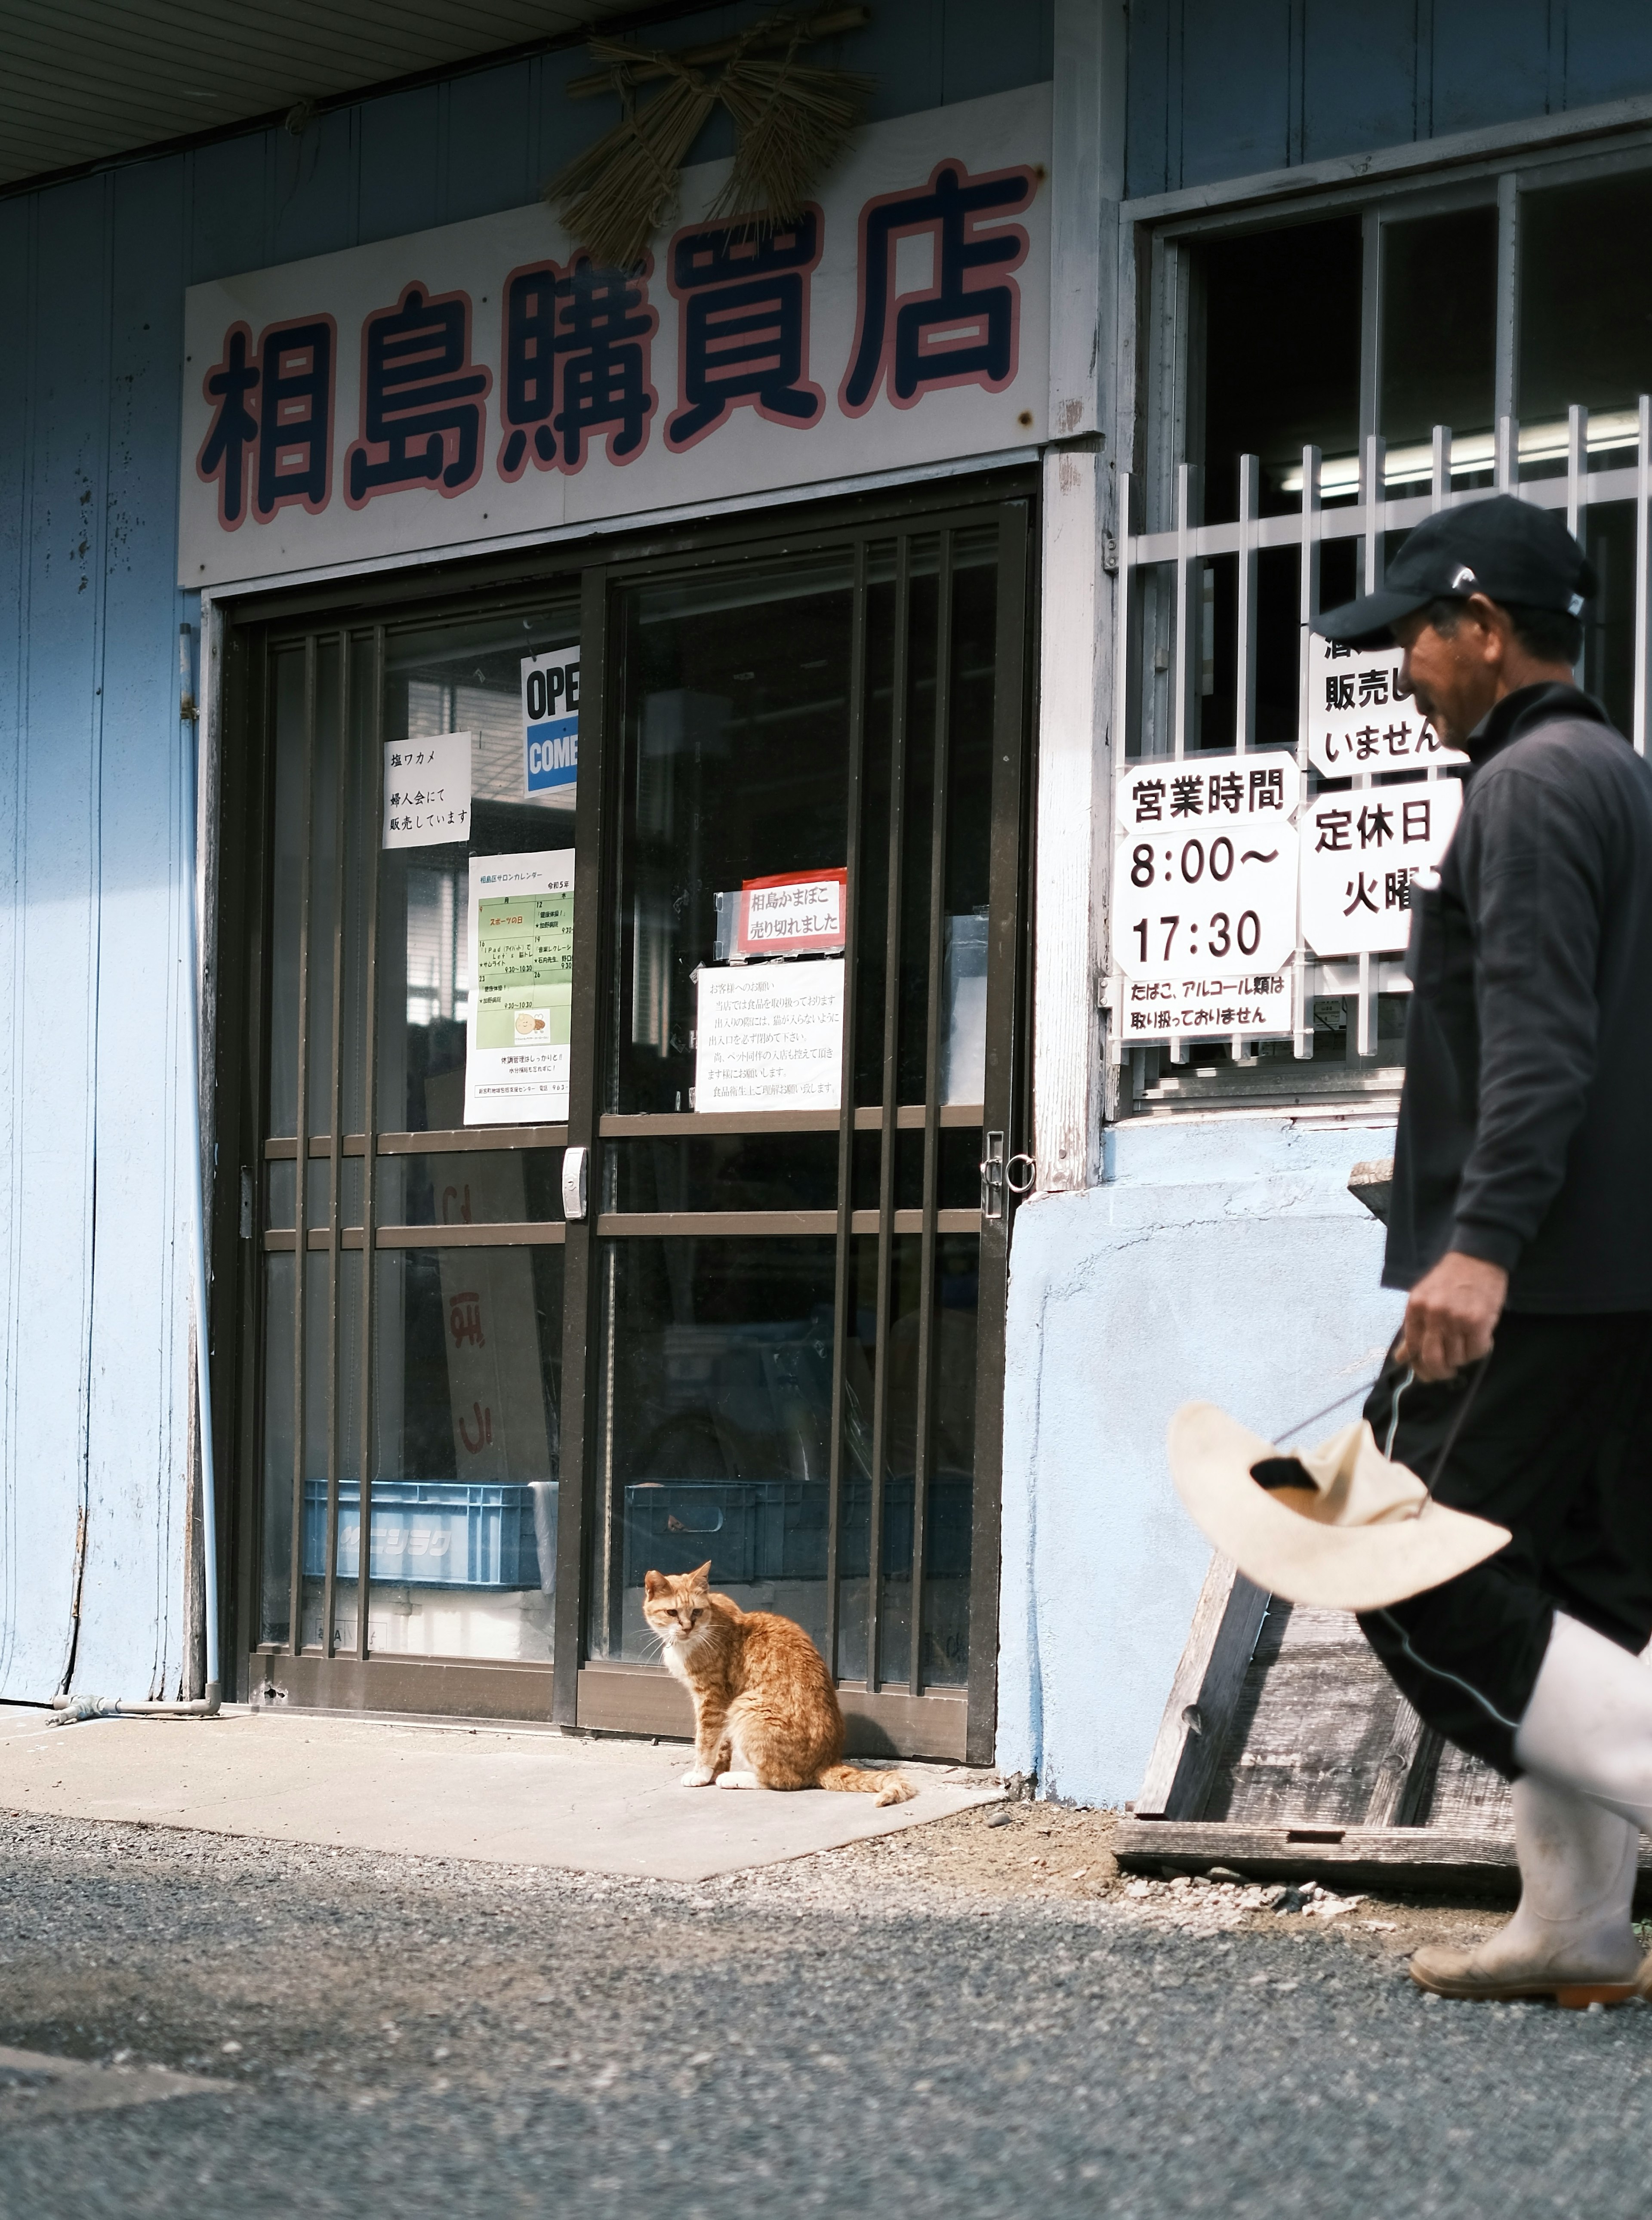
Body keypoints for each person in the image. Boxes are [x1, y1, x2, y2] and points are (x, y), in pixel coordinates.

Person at [1316, 494, 1652, 2006]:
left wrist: (1479, 1248)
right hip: (1624, 1271)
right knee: (1590, 1583)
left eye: (1411, 637)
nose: (1400, 670)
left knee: (1396, 1555)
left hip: (1549, 1277)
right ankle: (1577, 1926)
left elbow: (1540, 1046)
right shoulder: (1621, 778)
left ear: (1485, 628)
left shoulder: (1527, 791)